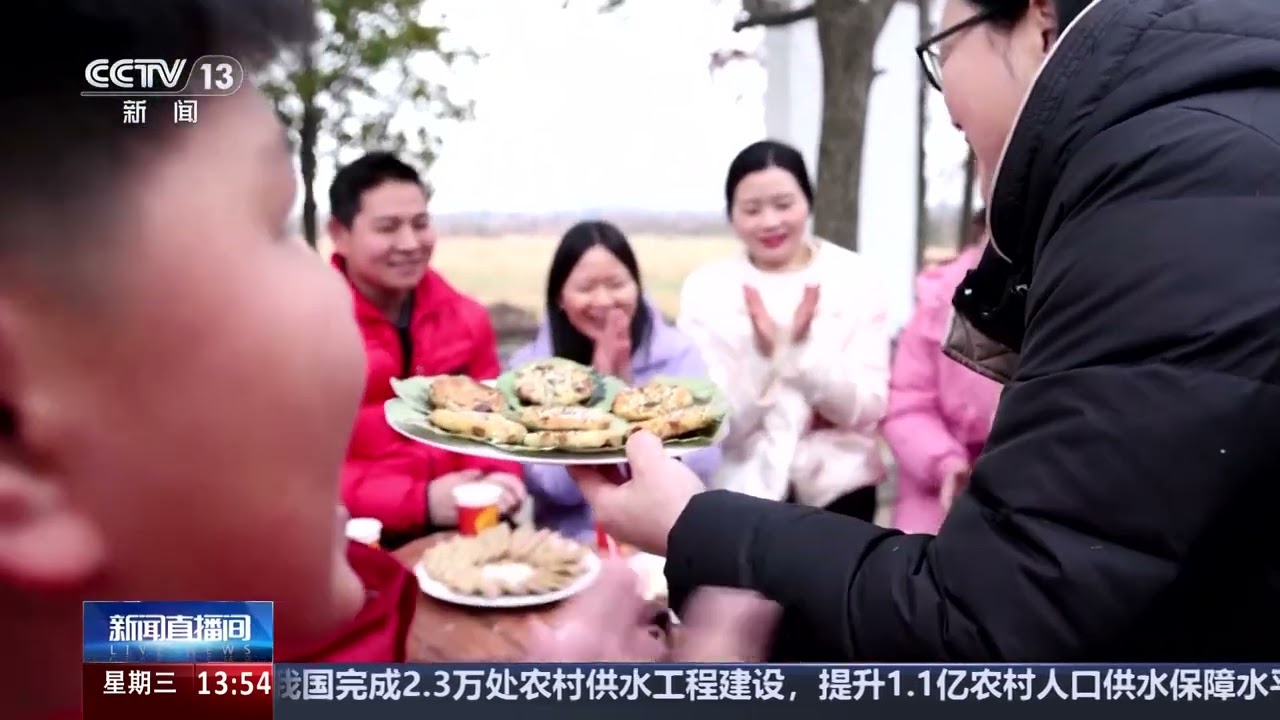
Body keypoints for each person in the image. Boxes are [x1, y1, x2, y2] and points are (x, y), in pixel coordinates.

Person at [4, 5, 778, 717]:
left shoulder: (156, 651)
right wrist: (700, 674)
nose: (408, 244)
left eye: (422, 221)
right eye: (272, 226)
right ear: (19, 438)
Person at [567, 0, 1280, 661]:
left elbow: (992, 614)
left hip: (844, 504)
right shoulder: (710, 288)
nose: (945, 106)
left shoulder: (1160, 198)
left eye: (944, 47)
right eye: (751, 207)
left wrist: (698, 515)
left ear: (1036, 20)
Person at [677, 140, 890, 521]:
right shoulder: (706, 290)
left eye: (784, 204)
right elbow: (711, 422)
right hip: (742, 494)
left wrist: (798, 351)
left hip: (841, 490)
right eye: (752, 210)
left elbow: (868, 407)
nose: (770, 222)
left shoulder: (855, 278)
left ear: (807, 202)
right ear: (732, 215)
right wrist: (766, 356)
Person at [328, 152, 524, 546]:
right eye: (387, 228)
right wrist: (418, 501)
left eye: (420, 224)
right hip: (357, 537)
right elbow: (291, 476)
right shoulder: (305, 330)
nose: (410, 243)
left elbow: (496, 423)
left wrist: (500, 474)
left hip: (467, 523)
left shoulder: (466, 319)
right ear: (339, 234)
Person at [508, 221, 721, 541]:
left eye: (617, 284)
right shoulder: (528, 372)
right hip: (570, 547)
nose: (604, 300)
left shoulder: (678, 354)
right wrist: (600, 393)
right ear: (560, 298)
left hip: (667, 540)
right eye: (586, 287)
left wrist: (628, 401)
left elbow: (703, 461)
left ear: (637, 286)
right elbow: (550, 486)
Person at [882, 210, 1001, 533]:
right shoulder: (941, 298)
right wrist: (946, 464)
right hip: (936, 493)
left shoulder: (1070, 296)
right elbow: (907, 403)